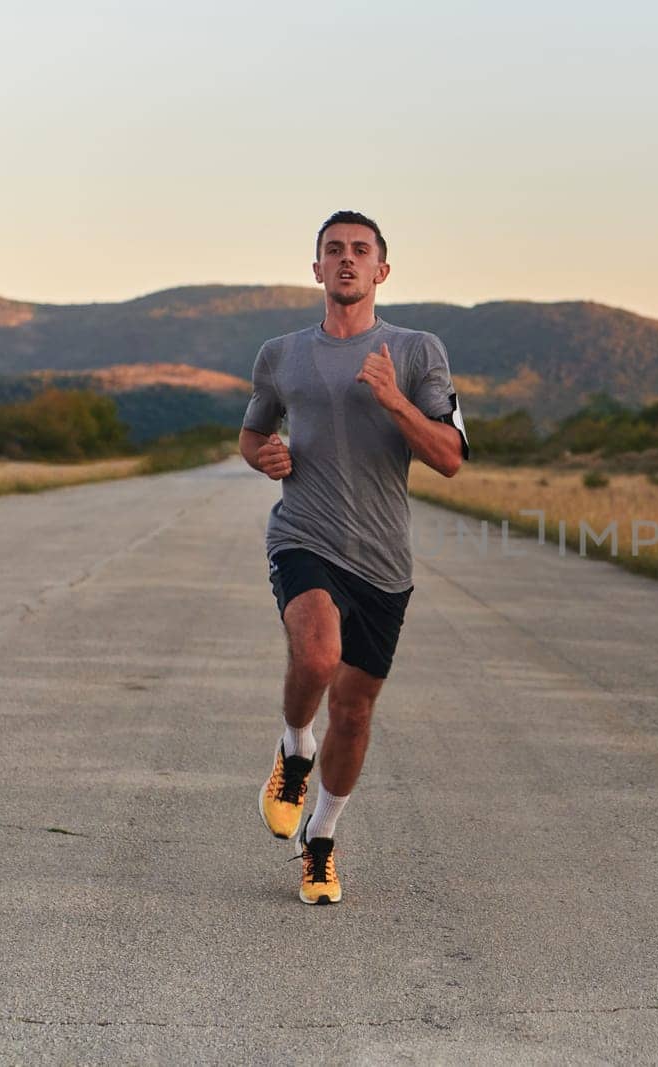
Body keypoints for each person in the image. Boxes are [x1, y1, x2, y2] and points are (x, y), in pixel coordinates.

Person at [240, 210, 469, 904]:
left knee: (357, 712)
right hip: (304, 535)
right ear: (315, 269)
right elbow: (252, 436)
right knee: (315, 657)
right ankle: (293, 749)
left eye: (359, 251)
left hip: (383, 562)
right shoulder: (280, 354)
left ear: (381, 271)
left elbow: (451, 458)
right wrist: (265, 456)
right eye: (333, 250)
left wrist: (394, 397)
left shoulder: (418, 350)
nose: (346, 260)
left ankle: (322, 839)